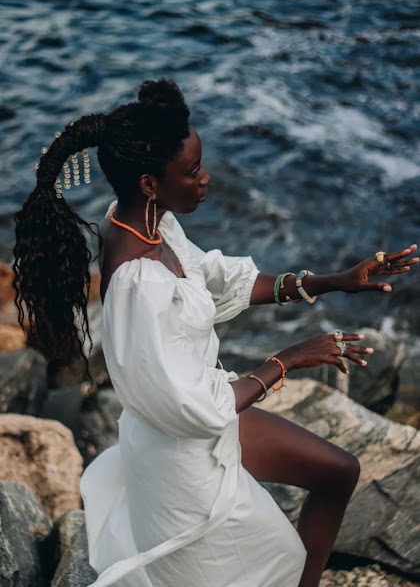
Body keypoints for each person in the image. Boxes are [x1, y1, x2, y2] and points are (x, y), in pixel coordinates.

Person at [13, 79, 418, 587]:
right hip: (185, 462)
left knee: (338, 471)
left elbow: (218, 278)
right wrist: (285, 361)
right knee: (276, 559)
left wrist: (333, 282)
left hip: (203, 420)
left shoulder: (145, 223)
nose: (206, 179)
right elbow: (193, 408)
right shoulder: (141, 283)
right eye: (192, 171)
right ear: (149, 183)